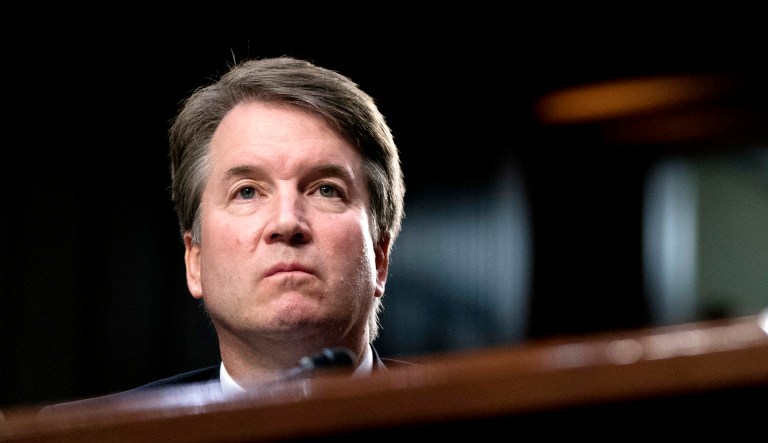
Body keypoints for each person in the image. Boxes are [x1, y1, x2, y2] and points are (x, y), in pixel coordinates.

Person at [44, 55, 411, 409]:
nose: (286, 223)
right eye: (247, 191)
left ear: (380, 257)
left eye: (326, 189)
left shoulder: (463, 412)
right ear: (195, 261)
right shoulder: (91, 436)